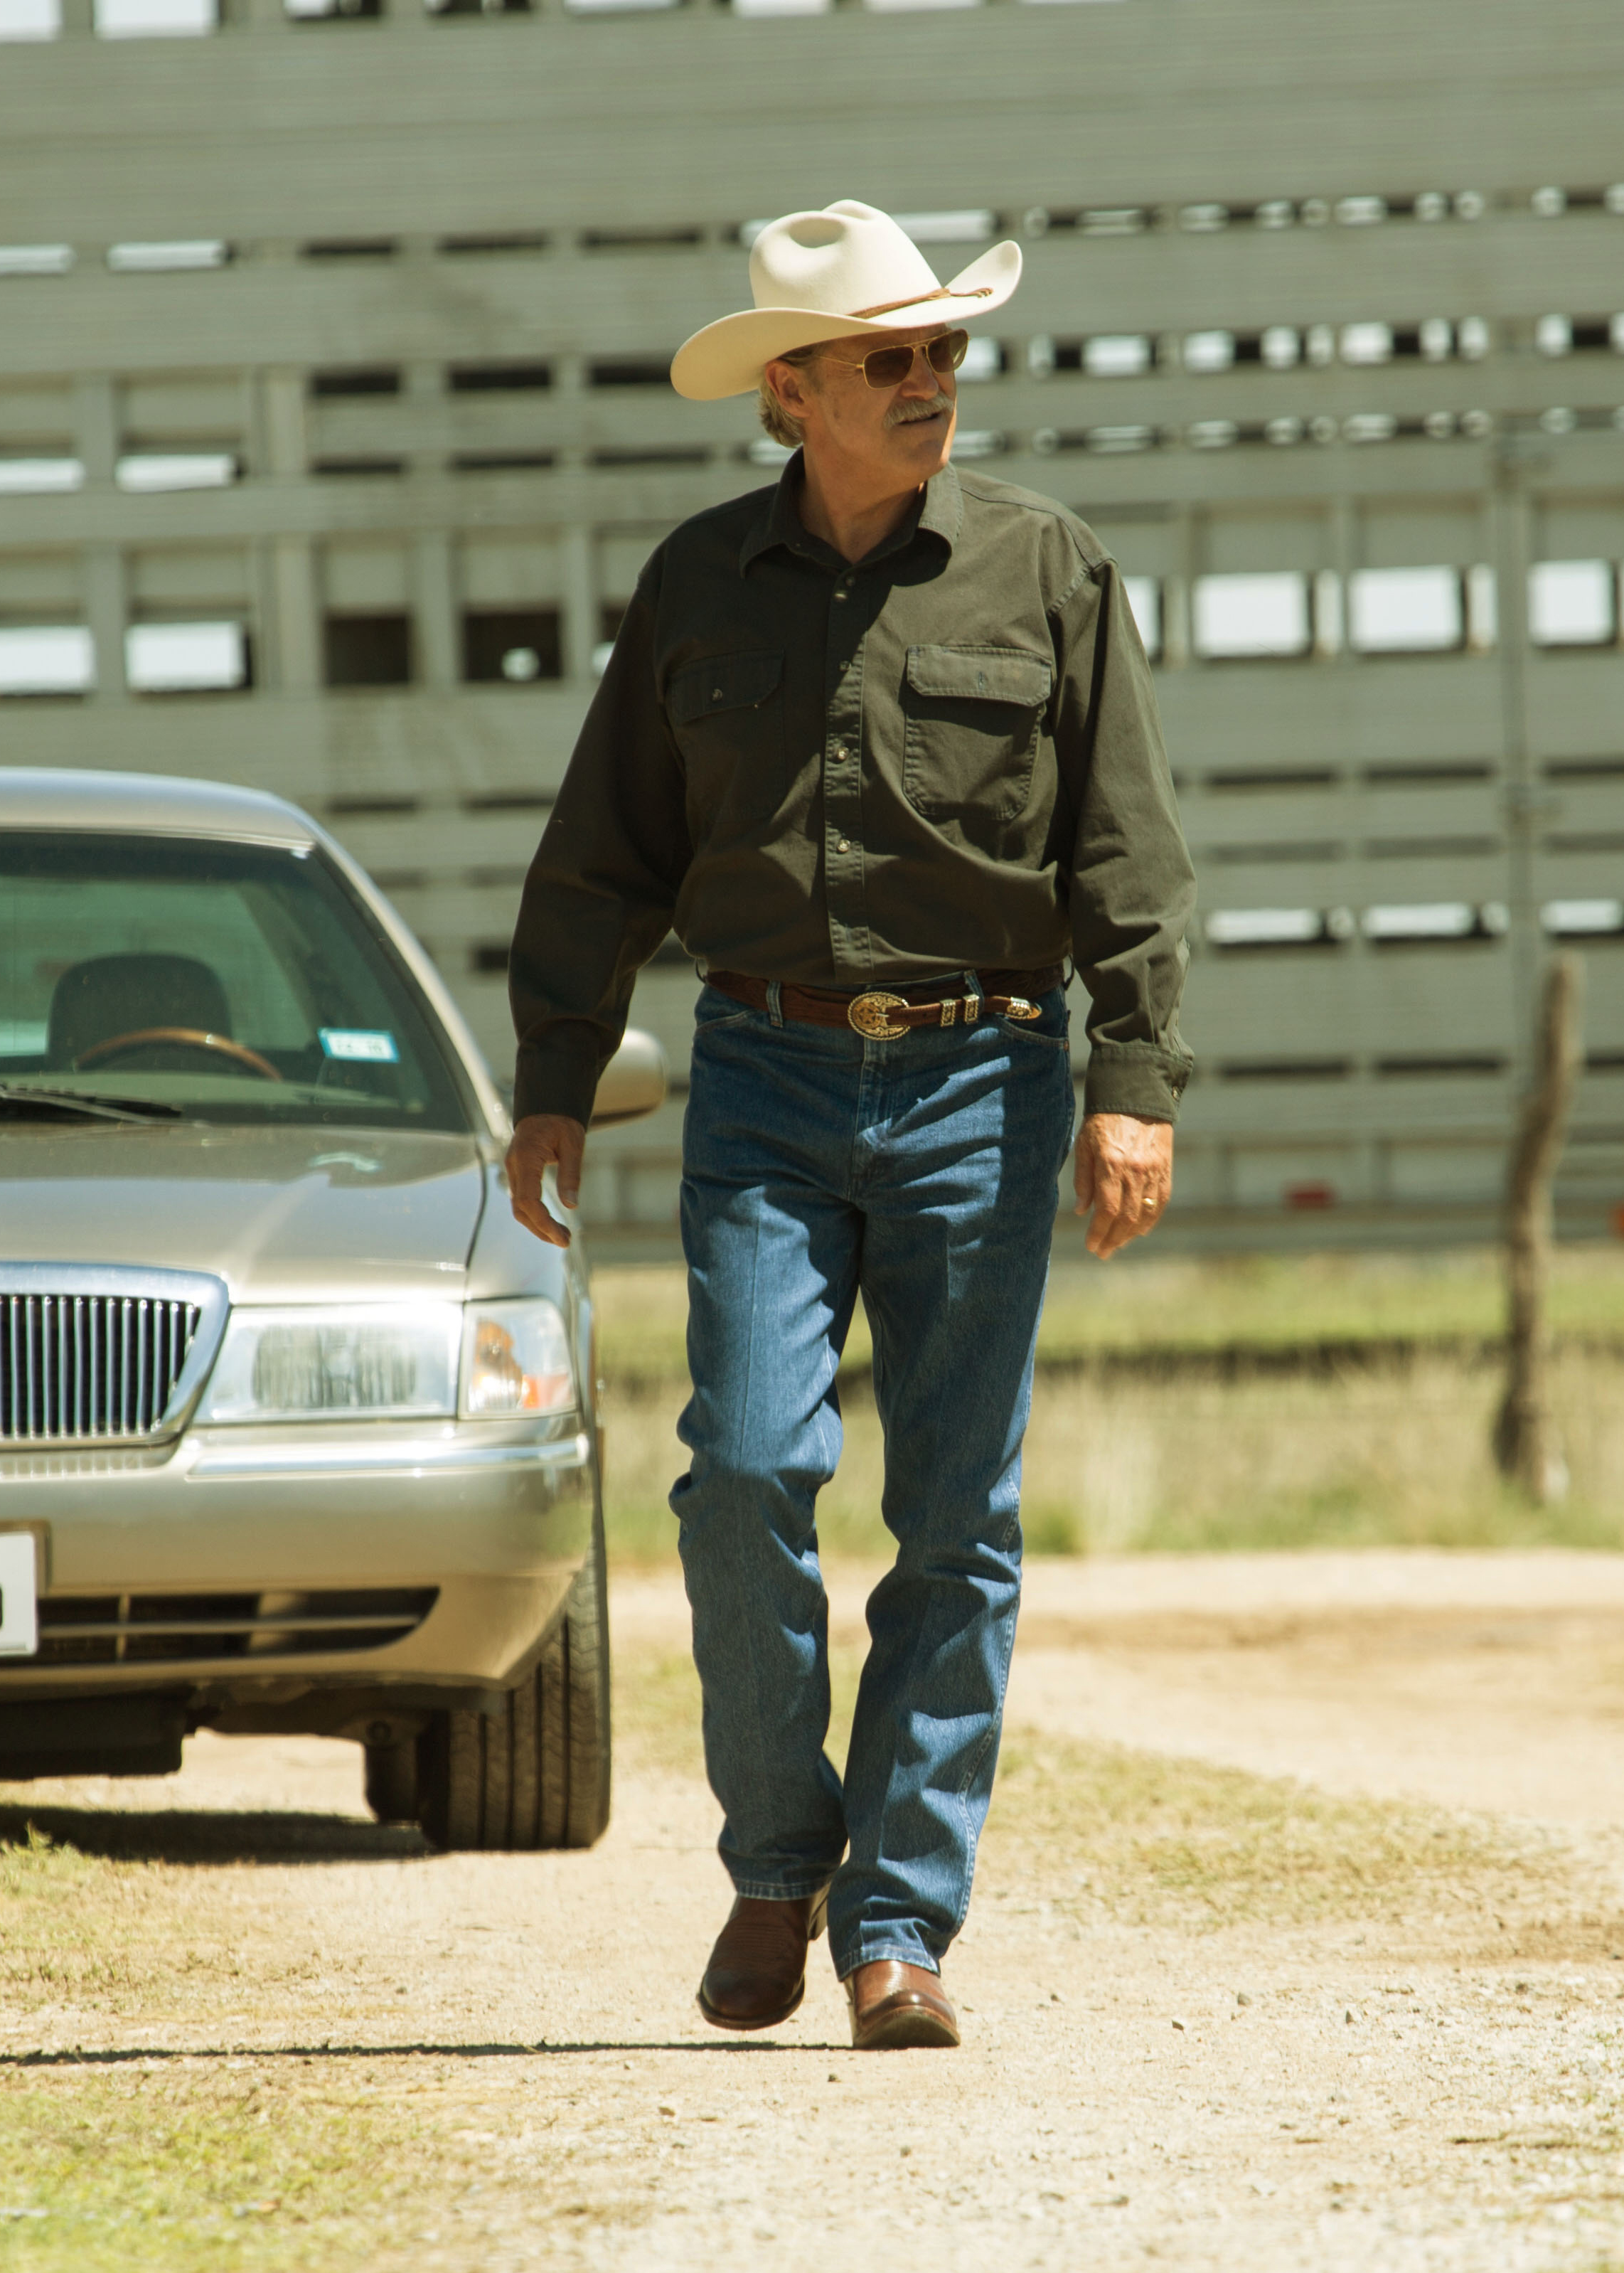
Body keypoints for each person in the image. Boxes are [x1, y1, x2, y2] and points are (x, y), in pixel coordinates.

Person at [501, 201, 1197, 2051]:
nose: (931, 382)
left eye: (944, 350)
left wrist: (1134, 1081)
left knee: (957, 1520)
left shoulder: (1048, 571)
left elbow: (1125, 856)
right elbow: (603, 854)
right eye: (890, 358)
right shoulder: (694, 584)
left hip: (986, 1079)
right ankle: (777, 1856)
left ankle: (898, 1924)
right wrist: (553, 1078)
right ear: (791, 391)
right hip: (764, 1076)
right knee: (740, 1465)